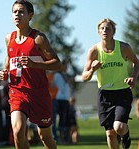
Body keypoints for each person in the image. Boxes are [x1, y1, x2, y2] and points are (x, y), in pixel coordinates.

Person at [0, 1, 61, 148]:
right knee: (18, 131)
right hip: (17, 92)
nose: (17, 15)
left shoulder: (38, 39)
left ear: (30, 15)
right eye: (15, 12)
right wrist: (4, 70)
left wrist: (34, 64)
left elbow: (57, 64)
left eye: (21, 12)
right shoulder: (9, 38)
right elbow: (9, 57)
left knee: (45, 137)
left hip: (38, 93)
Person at [82, 18, 139, 149]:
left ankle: (125, 134)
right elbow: (84, 76)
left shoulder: (124, 47)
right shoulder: (94, 51)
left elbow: (137, 62)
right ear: (98, 32)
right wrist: (92, 70)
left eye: (108, 28)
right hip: (105, 96)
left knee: (118, 127)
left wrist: (133, 78)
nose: (104, 30)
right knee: (110, 134)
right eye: (102, 28)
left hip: (122, 92)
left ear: (113, 31)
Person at [52, 60, 71, 144]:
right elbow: (62, 88)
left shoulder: (64, 76)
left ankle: (64, 137)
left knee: (65, 119)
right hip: (60, 99)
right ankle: (59, 137)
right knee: (61, 119)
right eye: (65, 66)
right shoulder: (58, 75)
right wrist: (68, 81)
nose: (66, 68)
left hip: (65, 99)